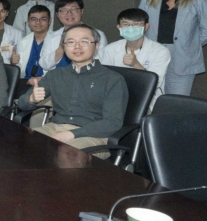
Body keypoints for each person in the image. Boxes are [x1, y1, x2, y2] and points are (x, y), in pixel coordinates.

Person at [19, 23, 128, 154]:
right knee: (19, 145)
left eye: (84, 41)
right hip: (55, 127)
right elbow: (22, 104)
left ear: (96, 46)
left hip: (94, 135)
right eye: (70, 42)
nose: (77, 46)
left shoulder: (112, 79)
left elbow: (113, 122)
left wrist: (72, 134)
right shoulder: (55, 75)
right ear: (64, 46)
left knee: (67, 155)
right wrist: (31, 99)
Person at [138, 0, 207, 96]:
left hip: (182, 60)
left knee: (175, 102)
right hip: (152, 57)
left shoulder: (199, 1)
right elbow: (139, 29)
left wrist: (188, 44)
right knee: (148, 101)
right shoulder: (147, 0)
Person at [98, 8, 171, 106]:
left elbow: (155, 83)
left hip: (146, 99)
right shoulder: (110, 49)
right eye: (126, 24)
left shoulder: (160, 51)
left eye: (137, 24)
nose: (131, 28)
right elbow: (104, 78)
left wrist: (136, 64)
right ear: (119, 27)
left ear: (146, 26)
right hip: (116, 97)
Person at [39, 0, 108, 72]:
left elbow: (101, 62)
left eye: (74, 9)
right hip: (56, 77)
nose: (69, 14)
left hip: (86, 77)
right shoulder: (51, 36)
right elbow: (44, 64)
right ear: (57, 14)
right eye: (64, 10)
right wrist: (61, 47)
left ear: (81, 11)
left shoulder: (97, 34)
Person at [15, 5, 52, 80]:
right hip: (26, 81)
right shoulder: (23, 41)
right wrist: (14, 62)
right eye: (34, 19)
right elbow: (20, 66)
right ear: (28, 22)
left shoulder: (57, 41)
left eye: (43, 19)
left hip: (47, 82)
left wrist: (42, 79)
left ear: (49, 21)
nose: (38, 22)